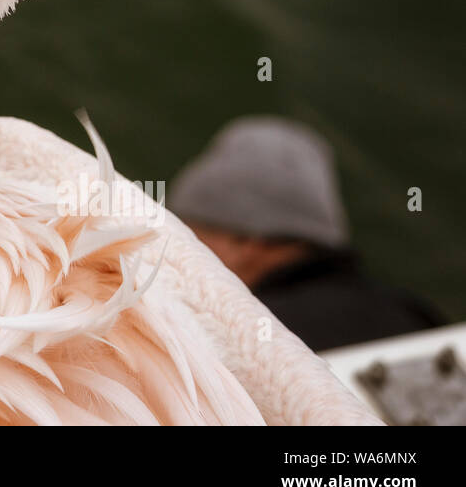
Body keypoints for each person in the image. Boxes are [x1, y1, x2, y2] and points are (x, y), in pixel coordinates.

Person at [168, 116, 444, 352]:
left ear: (244, 241)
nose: (171, 253)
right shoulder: (413, 315)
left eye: (189, 234)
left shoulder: (238, 332)